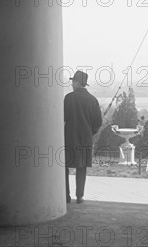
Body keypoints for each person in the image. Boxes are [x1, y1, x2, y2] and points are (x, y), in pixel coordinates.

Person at [64, 70, 102, 204]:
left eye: (73, 81)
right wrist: (90, 132)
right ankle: (79, 196)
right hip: (85, 138)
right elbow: (98, 122)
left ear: (77, 82)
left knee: (65, 166)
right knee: (82, 167)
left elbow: (62, 118)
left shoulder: (69, 98)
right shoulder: (93, 100)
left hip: (69, 137)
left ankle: (66, 196)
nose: (71, 84)